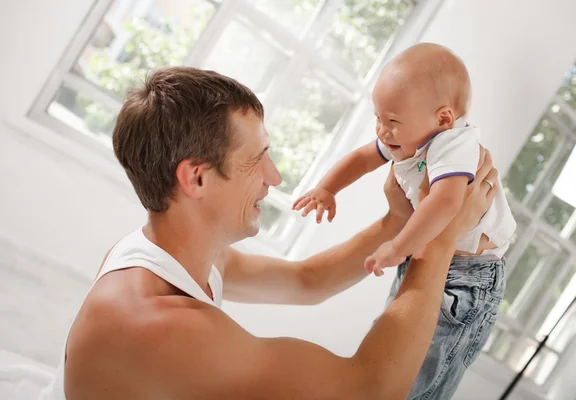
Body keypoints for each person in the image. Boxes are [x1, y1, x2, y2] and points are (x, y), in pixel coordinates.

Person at [41, 66, 499, 400]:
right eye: (255, 159)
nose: (275, 177)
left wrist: (396, 222)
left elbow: (307, 282)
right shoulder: (159, 324)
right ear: (196, 179)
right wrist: (441, 240)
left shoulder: (174, 255)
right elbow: (368, 390)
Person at [293, 43, 516, 399]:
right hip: (427, 256)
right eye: (378, 117)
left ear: (443, 119)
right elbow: (362, 158)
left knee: (420, 380)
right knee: (391, 361)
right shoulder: (409, 136)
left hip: (468, 277)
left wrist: (398, 246)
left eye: (392, 121)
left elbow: (445, 204)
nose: (381, 131)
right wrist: (326, 189)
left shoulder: (453, 145)